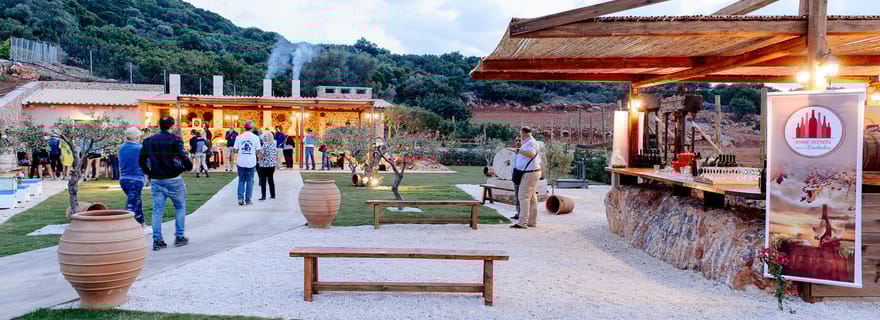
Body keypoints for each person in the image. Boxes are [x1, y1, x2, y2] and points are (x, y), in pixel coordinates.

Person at [139, 116, 193, 251]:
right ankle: (179, 236)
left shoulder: (148, 141)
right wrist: (188, 166)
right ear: (172, 126)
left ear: (159, 125)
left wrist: (149, 172)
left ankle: (157, 240)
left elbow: (141, 160)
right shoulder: (175, 140)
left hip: (157, 178)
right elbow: (183, 156)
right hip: (173, 178)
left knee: (157, 210)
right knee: (180, 206)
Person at [510, 126, 542, 229]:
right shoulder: (529, 142)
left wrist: (518, 150)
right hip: (532, 172)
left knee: (523, 197)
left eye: (520, 134)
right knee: (532, 198)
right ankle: (531, 222)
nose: (520, 136)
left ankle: (522, 222)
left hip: (529, 173)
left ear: (523, 133)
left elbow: (531, 154)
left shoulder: (531, 143)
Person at [119, 127, 148, 231]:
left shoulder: (121, 147)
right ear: (136, 136)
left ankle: (142, 224)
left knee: (137, 201)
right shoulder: (140, 148)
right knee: (131, 207)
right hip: (136, 180)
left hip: (124, 179)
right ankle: (124, 229)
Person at [234, 120, 261, 205]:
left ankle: (240, 199)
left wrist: (240, 150)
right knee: (250, 181)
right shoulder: (256, 137)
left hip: (241, 161)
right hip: (251, 162)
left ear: (244, 127)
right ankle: (248, 200)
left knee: (241, 180)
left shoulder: (239, 137)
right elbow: (258, 151)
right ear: (252, 128)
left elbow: (235, 150)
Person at [257, 131, 277, 200]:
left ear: (267, 137)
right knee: (271, 179)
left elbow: (261, 155)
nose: (263, 137)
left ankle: (263, 196)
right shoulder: (274, 145)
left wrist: (258, 155)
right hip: (272, 165)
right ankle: (273, 194)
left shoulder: (264, 145)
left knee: (263, 180)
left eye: (264, 136)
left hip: (264, 165)